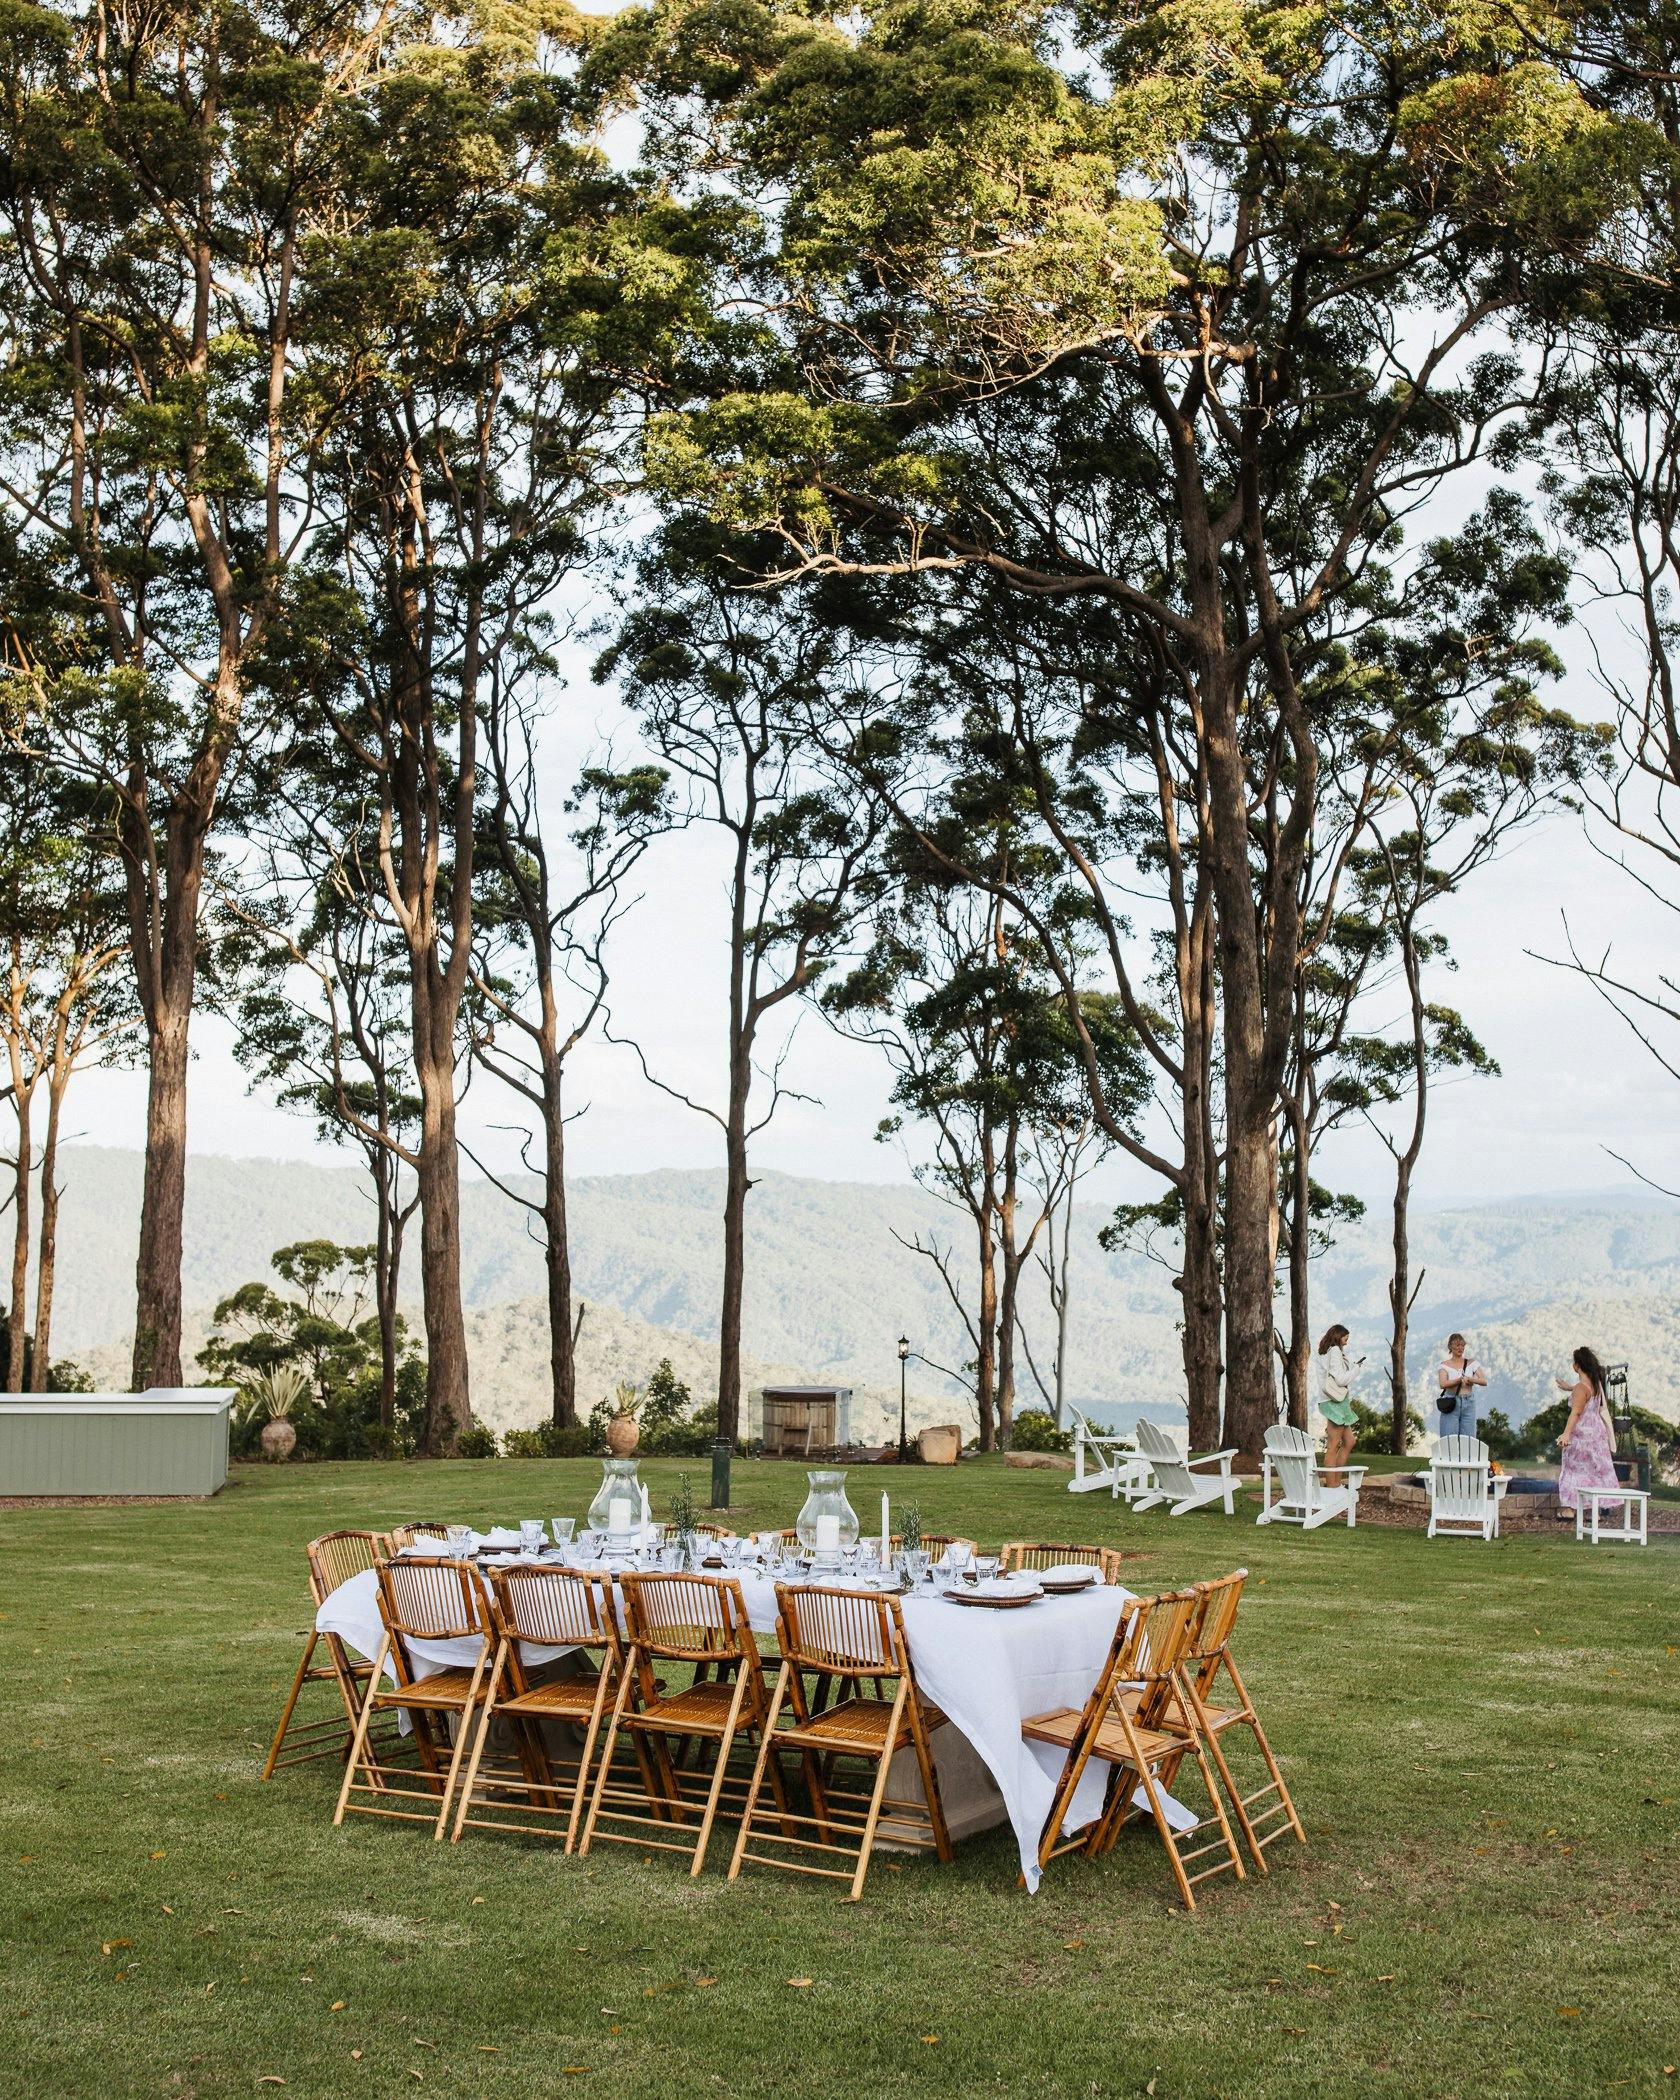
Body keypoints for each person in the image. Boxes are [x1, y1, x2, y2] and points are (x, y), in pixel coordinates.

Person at [1555, 1346, 1622, 1520]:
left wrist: (1566, 1434)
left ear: (1577, 1366)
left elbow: (1576, 1412)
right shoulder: (1596, 1384)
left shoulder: (1581, 1388)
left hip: (1581, 1435)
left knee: (1573, 1470)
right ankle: (1594, 1513)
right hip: (1597, 1435)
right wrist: (1569, 1388)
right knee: (1593, 1471)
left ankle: (1569, 1510)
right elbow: (1583, 1391)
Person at [1316, 1325, 1361, 1483]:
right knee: (1333, 1445)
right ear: (1338, 1337)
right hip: (1334, 1402)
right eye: (1345, 1339)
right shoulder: (1334, 1351)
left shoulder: (1325, 1351)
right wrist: (1356, 1369)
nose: (1346, 1342)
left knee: (1349, 1441)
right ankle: (1332, 1486)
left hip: (1334, 1401)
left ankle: (1336, 1481)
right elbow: (1341, 1380)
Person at [1435, 1333, 1488, 1443]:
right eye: (1457, 1345)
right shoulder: (1444, 1365)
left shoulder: (1471, 1363)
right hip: (1452, 1402)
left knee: (1469, 1441)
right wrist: (1458, 1380)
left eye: (1462, 1345)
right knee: (1449, 1440)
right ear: (1450, 1346)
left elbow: (1483, 1381)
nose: (1460, 1348)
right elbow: (1442, 1384)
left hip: (1469, 1402)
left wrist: (1471, 1380)